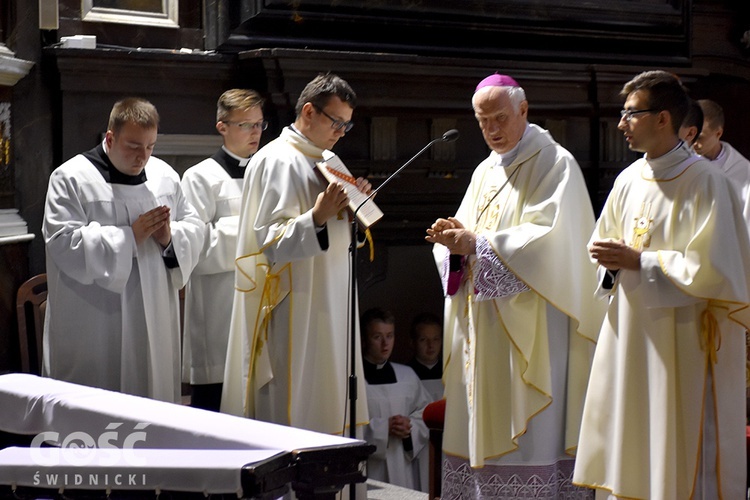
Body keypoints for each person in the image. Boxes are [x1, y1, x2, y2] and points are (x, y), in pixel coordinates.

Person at [425, 73, 605, 498]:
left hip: (535, 332)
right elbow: (466, 240)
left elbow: (553, 243)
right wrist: (453, 243)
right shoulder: (485, 170)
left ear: (523, 110)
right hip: (484, 330)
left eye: (500, 118)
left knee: (531, 437)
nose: (492, 130)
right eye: (482, 121)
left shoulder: (554, 163)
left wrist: (479, 245)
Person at [573, 70, 750, 499]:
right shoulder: (628, 180)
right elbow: (603, 249)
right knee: (632, 440)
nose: (620, 124)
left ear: (663, 118)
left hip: (683, 342)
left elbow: (720, 272)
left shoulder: (709, 183)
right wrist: (611, 264)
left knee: (678, 447)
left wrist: (642, 262)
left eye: (630, 114)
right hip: (630, 337)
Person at [221, 73, 371, 438]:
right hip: (294, 305)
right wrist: (317, 217)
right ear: (308, 111)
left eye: (346, 125)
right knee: (298, 412)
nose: (340, 132)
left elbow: (344, 234)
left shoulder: (331, 160)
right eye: (336, 122)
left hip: (332, 301)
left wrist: (357, 209)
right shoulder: (277, 160)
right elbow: (268, 245)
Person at [42, 97, 203, 403]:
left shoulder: (164, 177)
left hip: (154, 312)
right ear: (110, 137)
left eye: (151, 146)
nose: (143, 156)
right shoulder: (72, 178)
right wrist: (129, 237)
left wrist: (170, 238)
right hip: (96, 319)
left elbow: (194, 227)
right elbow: (63, 242)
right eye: (133, 146)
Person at [181, 89, 266, 411]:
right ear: (222, 126)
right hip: (219, 309)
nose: (255, 132)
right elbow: (194, 247)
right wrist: (255, 232)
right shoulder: (200, 177)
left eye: (259, 124)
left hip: (261, 302)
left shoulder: (269, 173)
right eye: (246, 124)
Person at [361, 307, 432, 492]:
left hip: (403, 468)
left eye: (390, 336)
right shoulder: (353, 379)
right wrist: (384, 428)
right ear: (364, 339)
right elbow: (344, 427)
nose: (385, 344)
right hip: (369, 472)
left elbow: (426, 413)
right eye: (377, 337)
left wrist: (410, 427)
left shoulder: (407, 376)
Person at [694, 98, 750, 220]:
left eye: (699, 138)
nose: (693, 143)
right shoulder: (680, 162)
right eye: (690, 134)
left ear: (718, 133)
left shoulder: (744, 171)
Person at [406, 311, 444, 402]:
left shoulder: (450, 372)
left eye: (435, 339)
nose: (431, 345)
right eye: (423, 340)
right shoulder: (406, 374)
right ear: (412, 342)